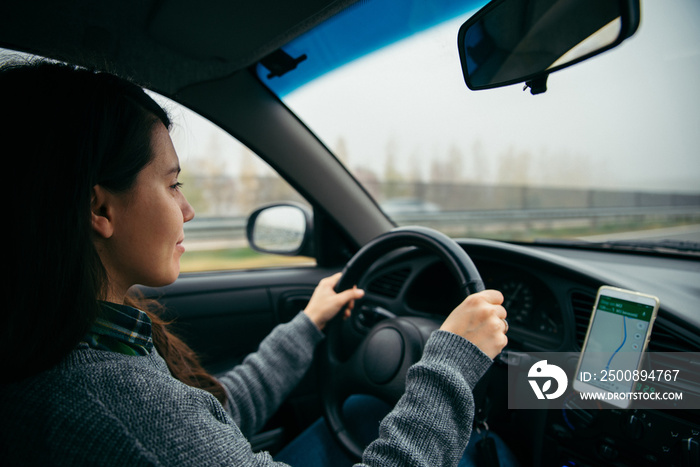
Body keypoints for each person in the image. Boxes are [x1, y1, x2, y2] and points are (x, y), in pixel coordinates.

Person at [0, 60, 512, 466]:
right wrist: (450, 362)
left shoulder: (73, 345)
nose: (188, 209)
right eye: (173, 183)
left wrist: (308, 324)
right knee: (484, 449)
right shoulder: (112, 398)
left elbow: (214, 418)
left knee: (359, 412)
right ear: (99, 208)